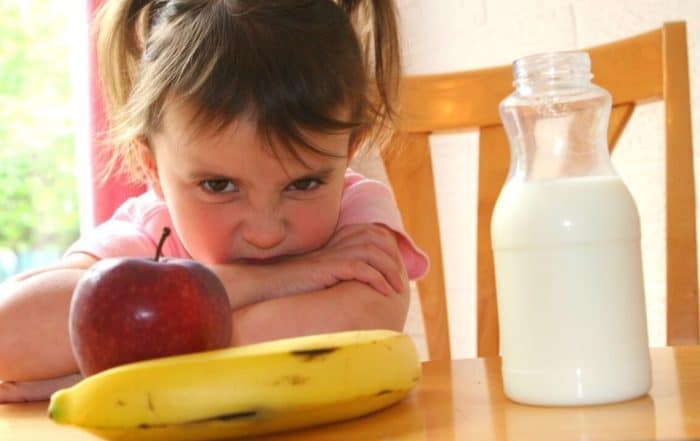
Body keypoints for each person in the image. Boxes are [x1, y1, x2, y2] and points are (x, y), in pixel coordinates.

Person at [0, 0, 428, 402]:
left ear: (350, 152)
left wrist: (112, 361)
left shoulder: (355, 213)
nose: (265, 232)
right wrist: (282, 279)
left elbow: (367, 322)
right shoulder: (149, 233)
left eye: (304, 184)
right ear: (151, 169)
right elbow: (9, 334)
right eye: (220, 186)